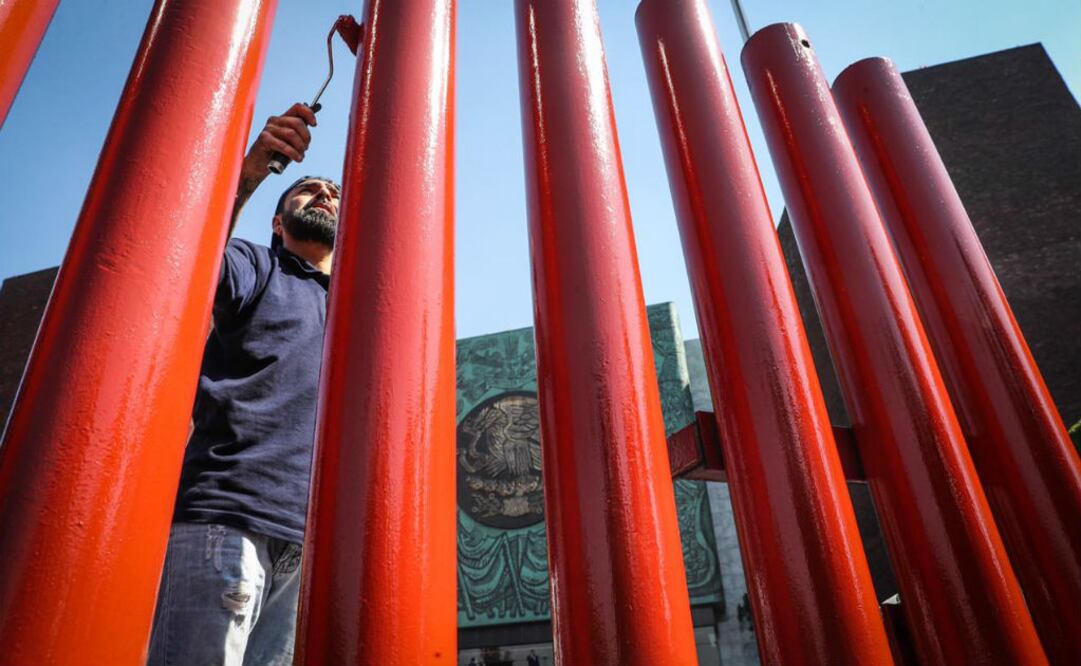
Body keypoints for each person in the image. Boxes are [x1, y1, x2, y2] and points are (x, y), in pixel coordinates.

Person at [147, 103, 341, 666]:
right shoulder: (257, 267)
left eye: (333, 191)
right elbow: (190, 240)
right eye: (307, 191)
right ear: (278, 223)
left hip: (308, 544)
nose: (324, 194)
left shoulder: (357, 309)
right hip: (225, 517)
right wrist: (253, 169)